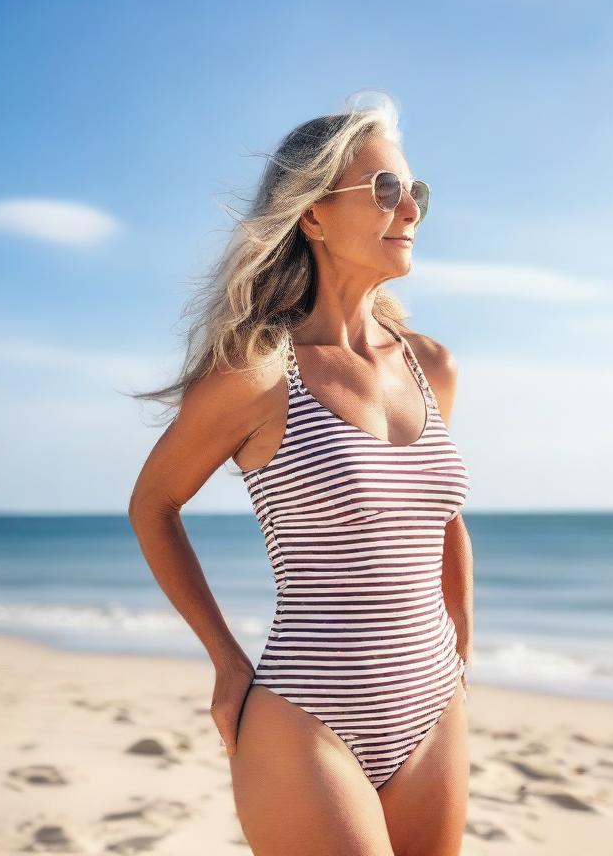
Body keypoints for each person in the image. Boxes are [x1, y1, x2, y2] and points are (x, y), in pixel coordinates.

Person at [127, 90, 476, 856]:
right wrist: (225, 660)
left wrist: (460, 659)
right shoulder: (257, 374)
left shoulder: (431, 367)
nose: (410, 209)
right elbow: (153, 504)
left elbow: (441, 517)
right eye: (385, 190)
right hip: (309, 717)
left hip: (432, 707)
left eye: (415, 191)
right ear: (313, 215)